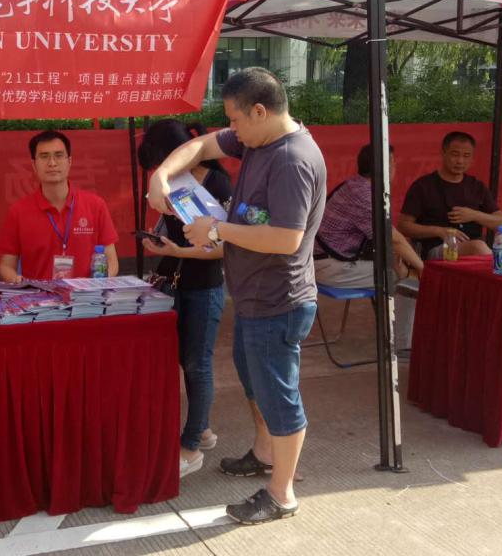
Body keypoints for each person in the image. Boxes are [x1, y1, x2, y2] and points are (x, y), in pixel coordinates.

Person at [147, 68, 325, 525]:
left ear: (260, 111)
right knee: (255, 380)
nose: (232, 130)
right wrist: (162, 175)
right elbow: (202, 146)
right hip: (252, 296)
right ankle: (265, 454)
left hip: (278, 299)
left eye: (236, 120)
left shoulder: (292, 160)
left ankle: (281, 494)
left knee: (279, 394)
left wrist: (217, 229)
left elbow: (286, 238)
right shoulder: (258, 140)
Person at [138, 119, 231, 479]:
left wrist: (179, 250)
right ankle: (201, 427)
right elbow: (175, 230)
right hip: (172, 279)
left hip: (203, 284)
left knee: (197, 363)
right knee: (180, 359)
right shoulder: (169, 183)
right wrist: (160, 241)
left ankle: (190, 446)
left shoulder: (217, 182)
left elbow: (223, 246)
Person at [0, 130, 119, 282]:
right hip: (38, 295)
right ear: (34, 165)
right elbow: (6, 266)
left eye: (59, 155)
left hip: (86, 295)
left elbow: (112, 261)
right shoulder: (18, 211)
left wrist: (97, 285)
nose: (52, 163)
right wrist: (17, 280)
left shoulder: (95, 205)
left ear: (69, 161)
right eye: (44, 156)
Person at [314, 144, 424, 287]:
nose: (395, 166)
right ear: (385, 167)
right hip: (330, 266)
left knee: (396, 260)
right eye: (392, 162)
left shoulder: (355, 185)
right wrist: (422, 268)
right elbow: (393, 239)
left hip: (325, 259)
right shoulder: (366, 196)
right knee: (400, 273)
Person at [397, 131, 502, 259]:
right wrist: (439, 231)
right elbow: (404, 226)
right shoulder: (423, 186)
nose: (460, 161)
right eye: (455, 155)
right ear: (443, 153)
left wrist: (474, 215)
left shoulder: (477, 186)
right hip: (437, 249)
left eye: (466, 156)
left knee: (482, 247)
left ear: (472, 158)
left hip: (472, 248)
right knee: (478, 247)